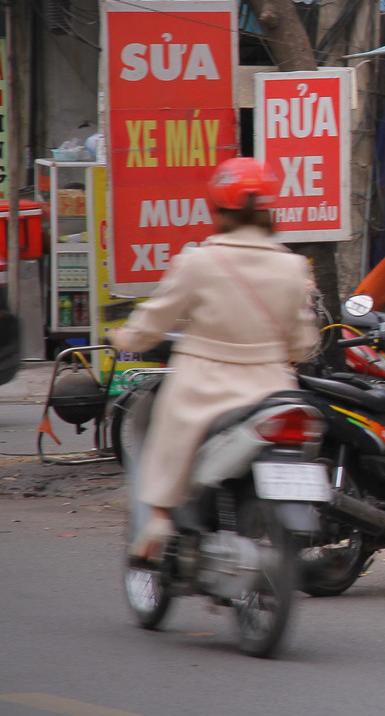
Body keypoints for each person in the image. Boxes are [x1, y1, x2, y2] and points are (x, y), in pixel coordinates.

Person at [111, 157, 320, 564]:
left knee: (164, 438)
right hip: (271, 390)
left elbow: (153, 322)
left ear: (216, 209)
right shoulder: (293, 267)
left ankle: (157, 520)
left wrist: (123, 336)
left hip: (201, 386)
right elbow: (303, 343)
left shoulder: (198, 262)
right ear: (268, 209)